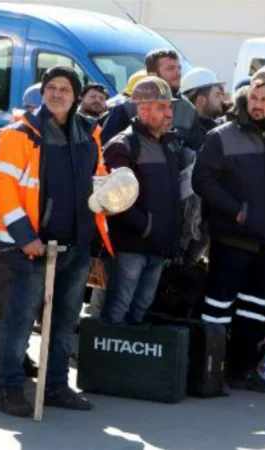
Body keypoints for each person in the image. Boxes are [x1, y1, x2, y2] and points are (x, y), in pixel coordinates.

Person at [0, 66, 112, 417]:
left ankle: (57, 385)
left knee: (64, 319)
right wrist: (26, 237)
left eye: (65, 89)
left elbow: (98, 179)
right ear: (42, 93)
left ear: (75, 97)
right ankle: (9, 389)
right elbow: (1, 188)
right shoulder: (19, 134)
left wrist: (111, 198)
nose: (58, 94)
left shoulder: (89, 133)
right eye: (52, 88)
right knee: (20, 319)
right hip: (31, 247)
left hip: (76, 245)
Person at [193, 63, 265, 391]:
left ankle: (242, 371)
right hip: (231, 241)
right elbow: (202, 180)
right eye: (253, 96)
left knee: (255, 312)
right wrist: (236, 211)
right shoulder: (222, 136)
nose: (257, 103)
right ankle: (209, 372)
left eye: (264, 98)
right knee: (218, 309)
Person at [100, 76, 182, 325]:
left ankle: (128, 363)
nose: (170, 113)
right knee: (117, 309)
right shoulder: (121, 146)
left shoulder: (167, 144)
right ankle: (107, 362)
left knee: (140, 309)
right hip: (130, 248)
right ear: (143, 109)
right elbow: (114, 199)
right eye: (163, 107)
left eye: (169, 106)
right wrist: (145, 227)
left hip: (158, 248)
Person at [101, 49, 203, 150]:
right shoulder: (127, 109)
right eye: (170, 68)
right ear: (152, 74)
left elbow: (197, 152)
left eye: (179, 68)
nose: (178, 73)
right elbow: (107, 149)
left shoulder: (188, 110)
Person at [182, 67, 225, 135]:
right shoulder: (183, 131)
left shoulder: (220, 130)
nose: (222, 99)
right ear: (201, 100)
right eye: (217, 95)